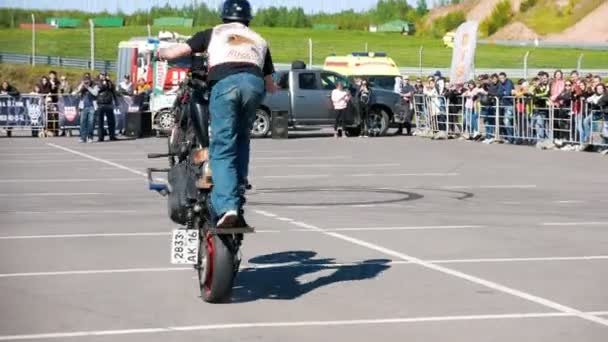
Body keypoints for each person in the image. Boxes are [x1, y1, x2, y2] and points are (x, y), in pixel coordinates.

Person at [159, 0, 276, 228]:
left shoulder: (213, 33)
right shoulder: (259, 39)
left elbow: (178, 51)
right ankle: (238, 190)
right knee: (241, 140)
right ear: (248, 19)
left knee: (222, 145)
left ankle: (227, 207)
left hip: (225, 84)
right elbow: (270, 84)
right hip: (254, 85)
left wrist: (161, 53)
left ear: (224, 16)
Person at [73, 75, 98, 143]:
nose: (86, 82)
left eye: (88, 81)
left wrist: (88, 87)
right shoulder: (82, 87)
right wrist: (81, 86)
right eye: (85, 81)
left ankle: (90, 137)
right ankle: (82, 137)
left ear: (90, 81)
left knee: (91, 123)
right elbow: (73, 93)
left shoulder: (94, 86)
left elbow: (95, 93)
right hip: (83, 107)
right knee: (82, 123)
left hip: (92, 107)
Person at [96, 76, 118, 142]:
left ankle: (112, 136)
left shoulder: (109, 83)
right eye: (102, 75)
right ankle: (100, 137)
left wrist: (109, 81)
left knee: (111, 121)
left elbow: (113, 89)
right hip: (100, 103)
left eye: (105, 75)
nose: (104, 76)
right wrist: (103, 83)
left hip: (109, 103)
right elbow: (100, 89)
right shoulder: (97, 82)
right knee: (100, 122)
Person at [498, 72, 514, 143]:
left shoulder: (509, 82)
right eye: (500, 78)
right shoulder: (500, 83)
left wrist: (502, 93)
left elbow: (507, 93)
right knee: (504, 121)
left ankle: (511, 138)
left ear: (505, 77)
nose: (501, 79)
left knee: (507, 121)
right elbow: (498, 92)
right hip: (503, 105)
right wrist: (502, 93)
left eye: (502, 78)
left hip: (509, 105)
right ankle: (508, 137)